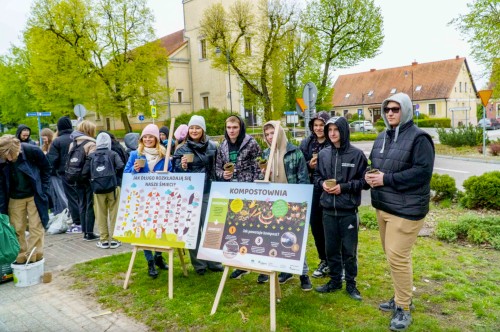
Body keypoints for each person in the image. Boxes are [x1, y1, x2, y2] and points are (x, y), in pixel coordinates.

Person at [365, 93, 434, 331]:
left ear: (405, 110)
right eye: (387, 110)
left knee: (397, 257)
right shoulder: (382, 136)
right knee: (393, 256)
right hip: (384, 206)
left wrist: (386, 179)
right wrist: (370, 175)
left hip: (407, 209)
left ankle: (403, 307)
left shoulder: (420, 138)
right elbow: (375, 164)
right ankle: (400, 297)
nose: (390, 113)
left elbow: (422, 173)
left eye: (395, 109)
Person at [314, 117, 367, 302]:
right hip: (328, 210)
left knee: (349, 251)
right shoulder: (323, 154)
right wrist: (323, 185)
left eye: (336, 129)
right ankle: (335, 281)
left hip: (348, 212)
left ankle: (351, 284)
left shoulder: (357, 155)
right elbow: (317, 176)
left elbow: (364, 182)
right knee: (331, 250)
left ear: (344, 131)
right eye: (330, 130)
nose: (333, 133)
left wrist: (343, 187)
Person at [258, 120, 312, 291]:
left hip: (293, 202)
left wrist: (302, 204)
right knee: (274, 238)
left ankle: (303, 274)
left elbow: (303, 179)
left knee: (294, 239)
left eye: (272, 133)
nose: (269, 137)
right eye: (266, 134)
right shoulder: (265, 154)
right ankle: (282, 271)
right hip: (272, 203)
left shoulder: (294, 152)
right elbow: (262, 181)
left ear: (279, 133)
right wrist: (263, 175)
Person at [173, 115, 224, 275]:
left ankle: (214, 262)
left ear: (203, 130)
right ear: (188, 130)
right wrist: (182, 166)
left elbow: (218, 168)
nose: (194, 130)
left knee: (211, 228)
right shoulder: (181, 149)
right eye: (192, 127)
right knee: (193, 230)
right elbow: (177, 173)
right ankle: (199, 265)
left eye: (197, 127)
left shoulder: (213, 146)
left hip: (209, 191)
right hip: (190, 195)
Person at [215, 115, 261, 280]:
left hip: (248, 190)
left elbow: (259, 165)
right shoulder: (223, 146)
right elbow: (217, 168)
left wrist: (257, 186)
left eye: (235, 127)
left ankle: (260, 269)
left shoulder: (251, 143)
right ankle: (241, 265)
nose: (232, 131)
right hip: (231, 192)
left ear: (240, 128)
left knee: (254, 228)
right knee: (236, 229)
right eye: (229, 128)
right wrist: (223, 174)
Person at [123, 124, 172, 278]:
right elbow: (125, 175)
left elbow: (171, 174)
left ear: (157, 138)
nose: (148, 139)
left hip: (160, 197)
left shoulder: (164, 155)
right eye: (145, 137)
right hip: (142, 198)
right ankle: (150, 262)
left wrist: (166, 174)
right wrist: (134, 170)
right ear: (141, 139)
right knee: (144, 230)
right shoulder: (135, 155)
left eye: (151, 136)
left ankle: (158, 256)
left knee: (159, 228)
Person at [0, 135, 51, 264]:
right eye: (7, 157)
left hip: (34, 194)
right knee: (17, 228)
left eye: (12, 155)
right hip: (14, 197)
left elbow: (46, 169)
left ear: (17, 149)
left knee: (36, 226)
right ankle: (20, 255)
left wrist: (43, 190)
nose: (10, 159)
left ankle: (35, 255)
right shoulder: (2, 159)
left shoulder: (32, 151)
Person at [299, 111, 331, 279]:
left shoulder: (332, 141)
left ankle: (334, 262)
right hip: (311, 189)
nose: (319, 128)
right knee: (316, 226)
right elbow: (298, 164)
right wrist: (309, 165)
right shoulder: (306, 143)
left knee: (330, 227)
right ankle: (323, 259)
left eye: (322, 125)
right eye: (316, 125)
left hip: (328, 189)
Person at [83, 132, 124, 249]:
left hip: (97, 189)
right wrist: (114, 175)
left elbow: (84, 172)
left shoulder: (91, 156)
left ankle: (104, 240)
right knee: (114, 213)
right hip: (113, 187)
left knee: (100, 214)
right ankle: (116, 239)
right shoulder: (113, 153)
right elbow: (121, 166)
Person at [69, 120, 98, 241]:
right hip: (88, 178)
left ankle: (84, 231)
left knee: (81, 204)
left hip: (75, 177)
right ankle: (90, 232)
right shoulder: (91, 144)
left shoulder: (73, 143)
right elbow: (92, 162)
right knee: (90, 205)